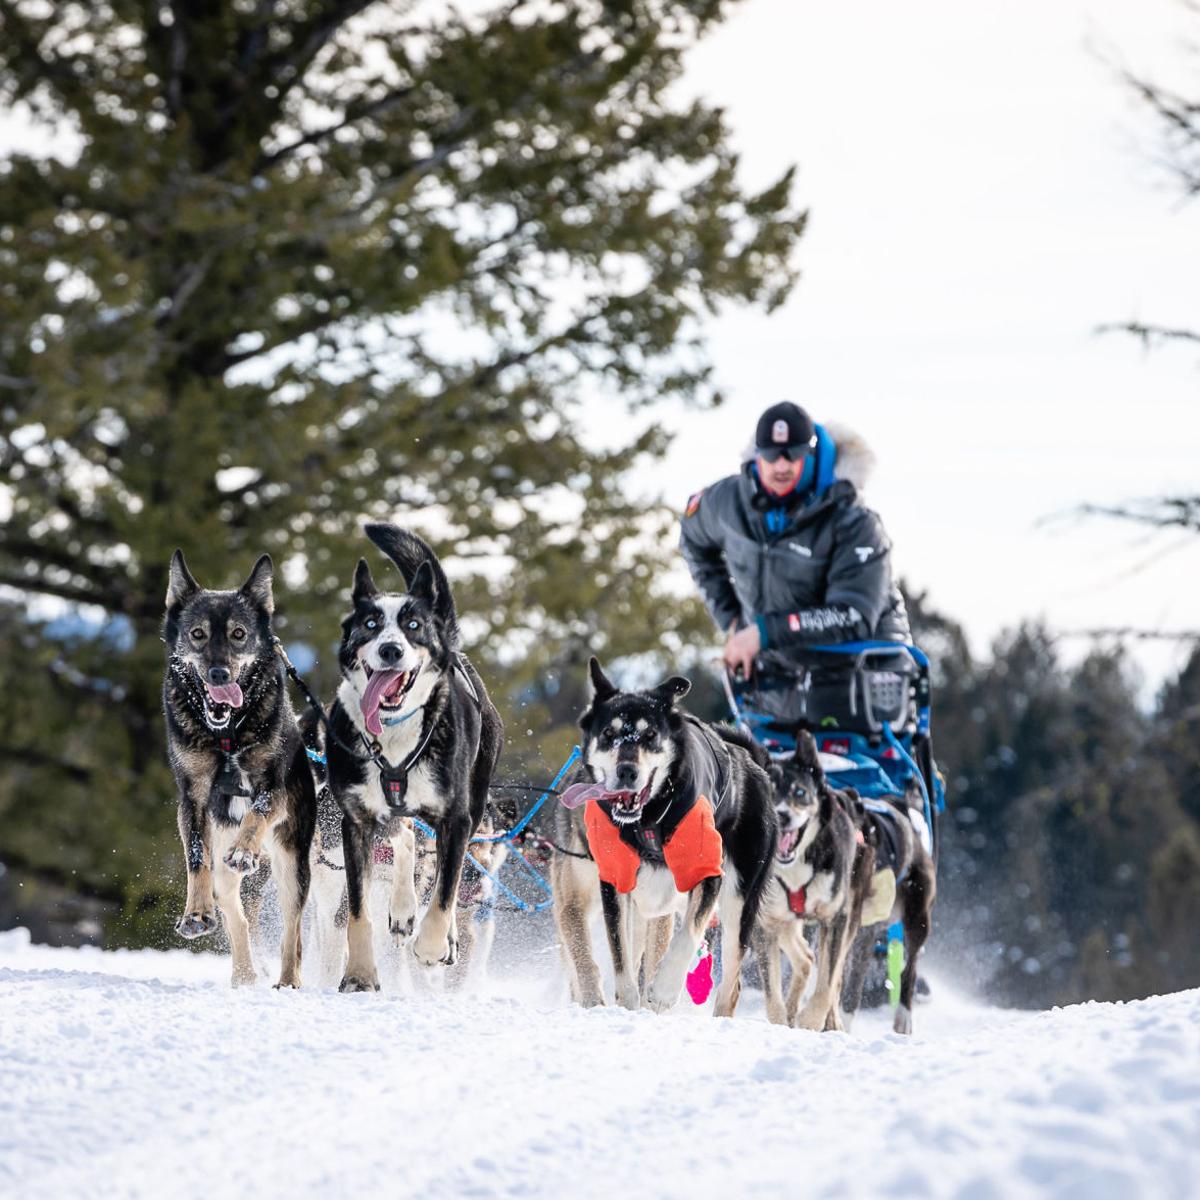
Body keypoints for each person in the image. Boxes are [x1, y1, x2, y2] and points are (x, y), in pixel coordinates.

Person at [679, 401, 910, 713]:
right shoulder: (727, 502)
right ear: (757, 455)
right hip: (776, 688)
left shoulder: (854, 521)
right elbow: (692, 535)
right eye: (772, 456)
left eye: (793, 455)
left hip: (865, 687)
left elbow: (853, 614)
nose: (781, 466)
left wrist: (763, 633)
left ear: (810, 454)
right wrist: (731, 617)